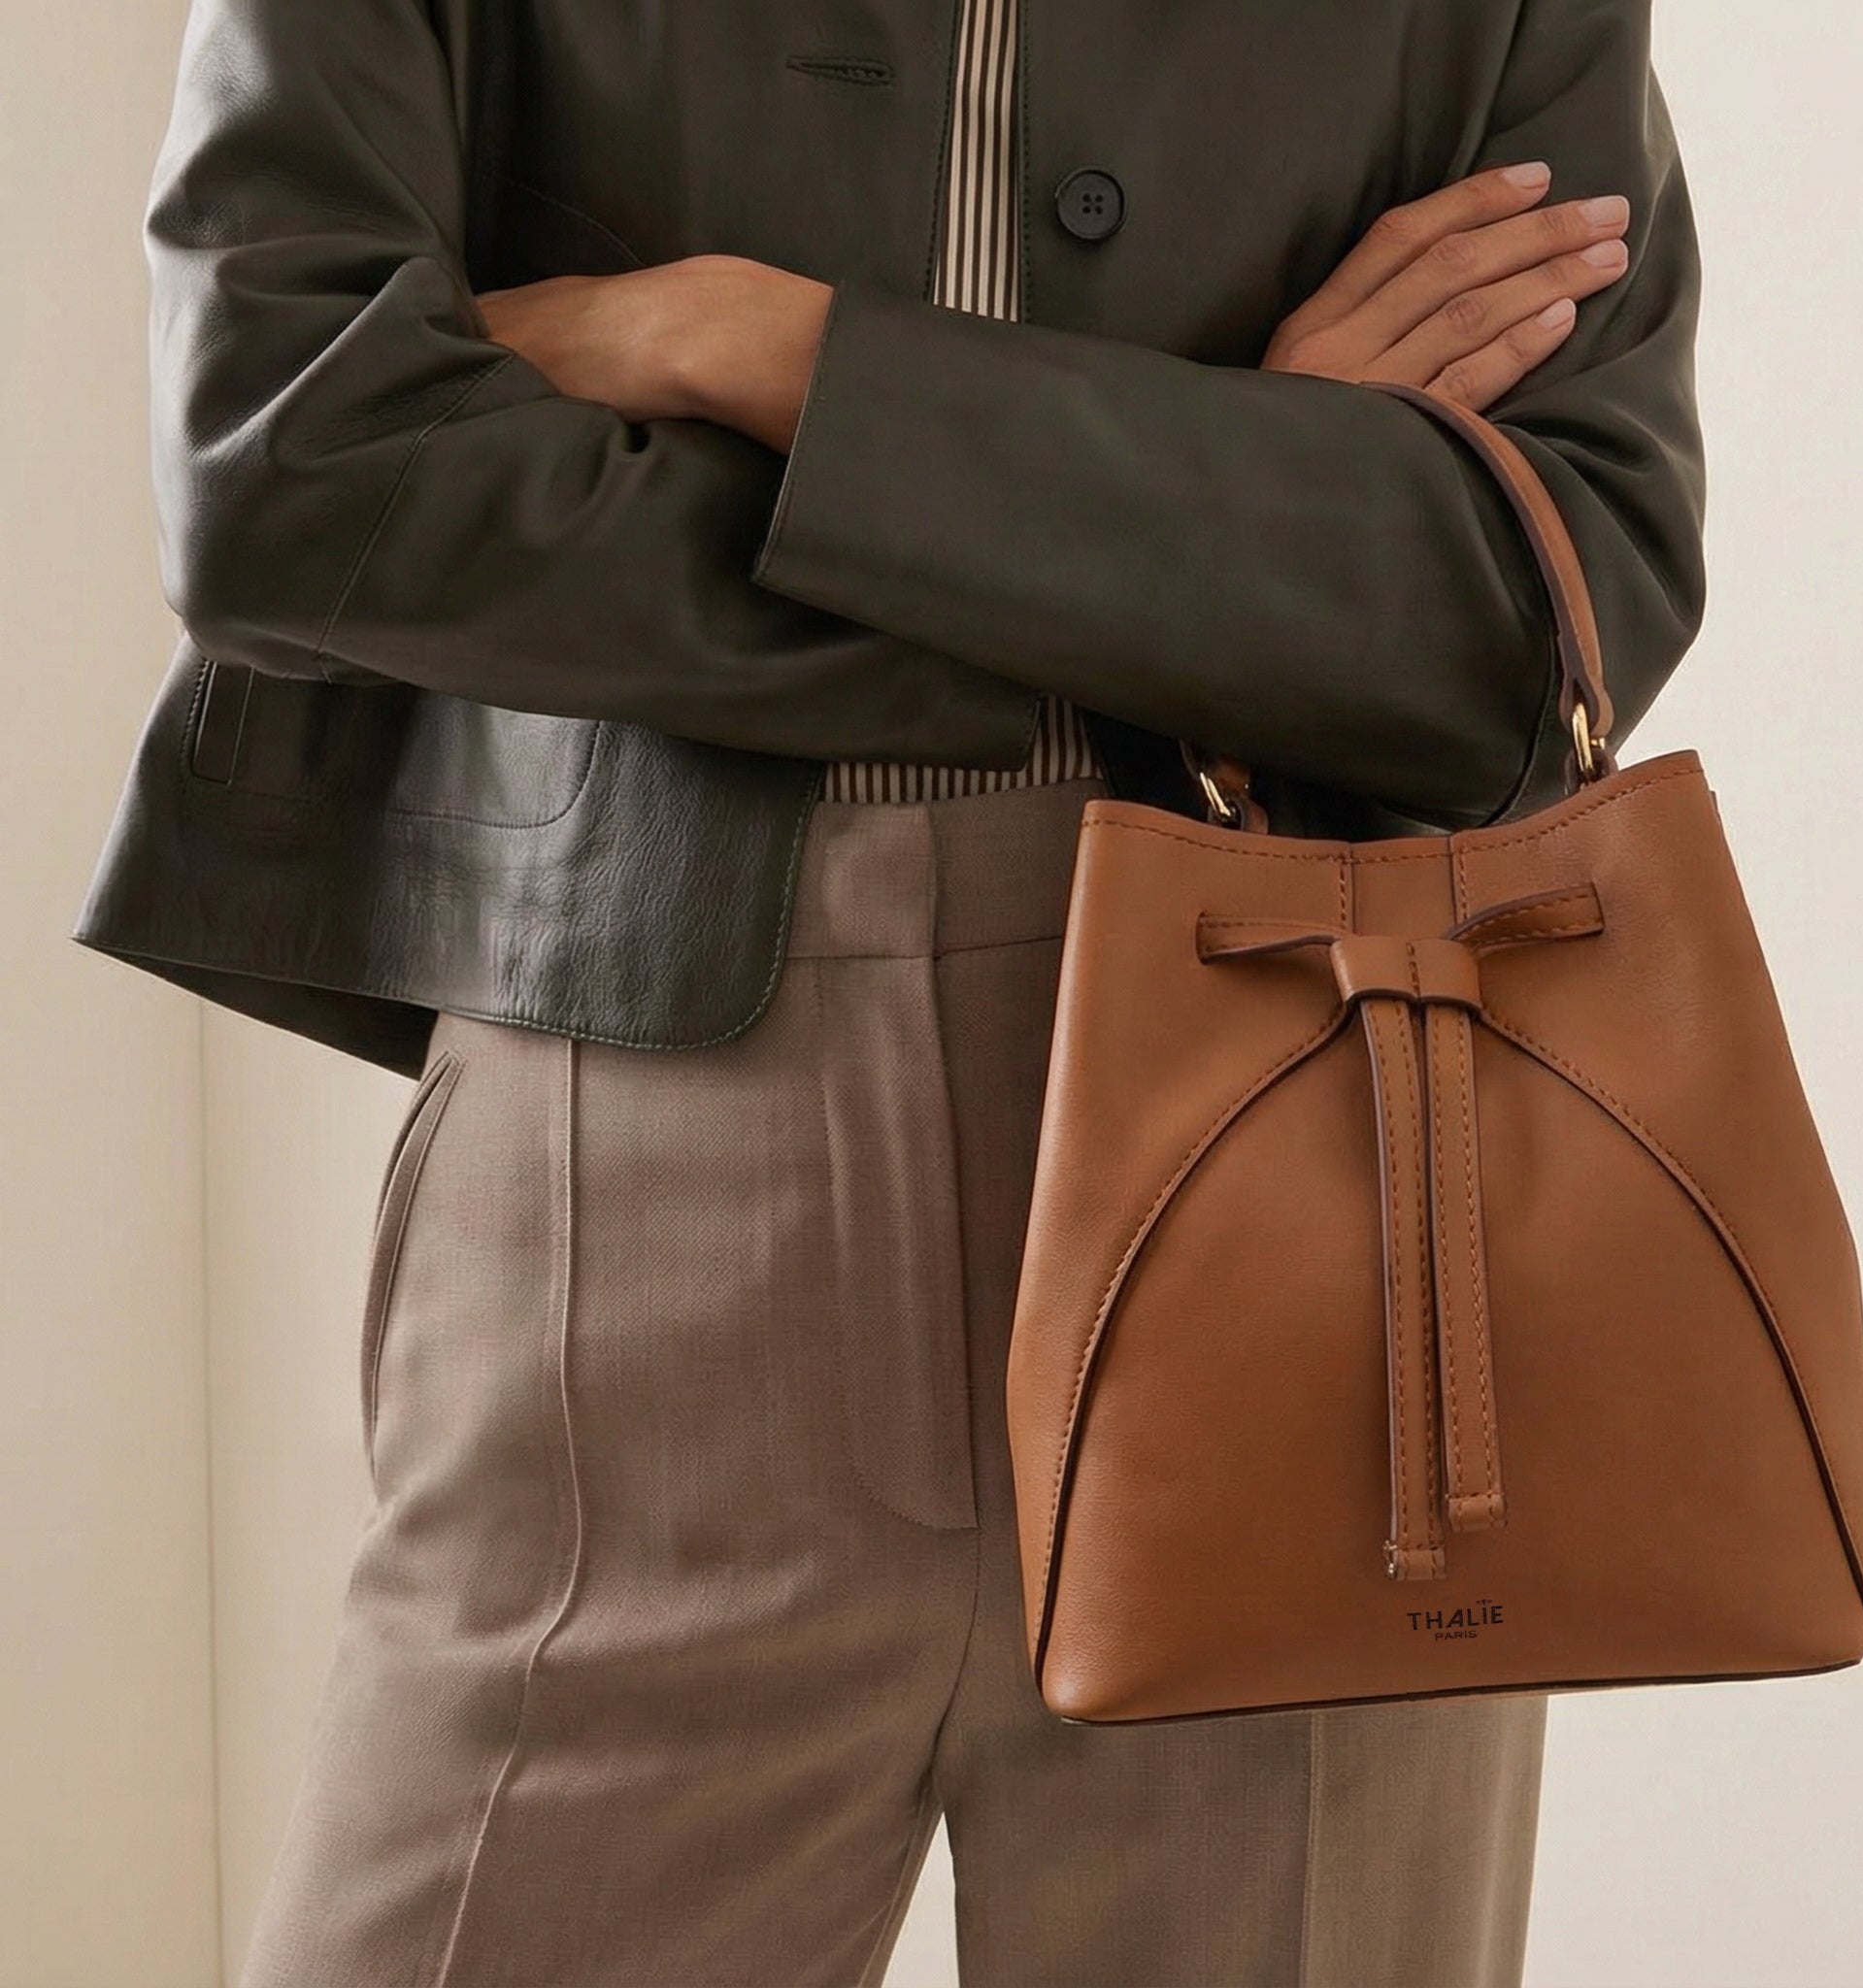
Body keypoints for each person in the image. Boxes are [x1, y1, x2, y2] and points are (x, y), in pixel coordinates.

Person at [74, 0, 1705, 1981]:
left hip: (1327, 1217)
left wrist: (753, 346)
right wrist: (1183, 508)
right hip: (643, 1182)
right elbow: (288, 472)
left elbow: (1545, 612)